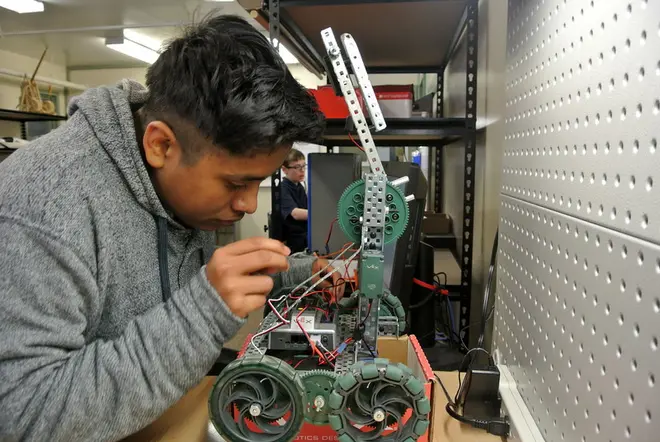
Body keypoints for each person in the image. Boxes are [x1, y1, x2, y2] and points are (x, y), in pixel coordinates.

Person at [0, 15, 344, 442]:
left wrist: (304, 272)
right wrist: (202, 314)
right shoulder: (46, 205)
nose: (248, 204)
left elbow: (191, 281)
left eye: (258, 182)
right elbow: (23, 415)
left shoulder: (174, 183)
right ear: (160, 144)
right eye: (235, 183)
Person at [280, 148, 309, 253]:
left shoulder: (299, 186)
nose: (302, 170)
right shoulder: (282, 188)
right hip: (293, 241)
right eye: (297, 167)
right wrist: (320, 215)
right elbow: (295, 214)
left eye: (303, 166)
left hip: (303, 236)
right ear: (284, 169)